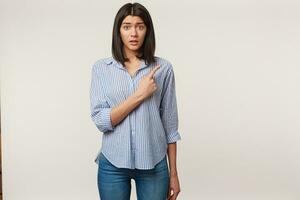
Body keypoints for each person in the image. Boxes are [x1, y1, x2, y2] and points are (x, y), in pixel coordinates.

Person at [89, 2, 182, 200]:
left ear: (147, 30)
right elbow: (101, 120)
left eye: (140, 26)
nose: (134, 33)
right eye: (127, 26)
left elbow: (170, 126)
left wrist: (173, 173)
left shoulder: (163, 69)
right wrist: (140, 95)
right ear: (118, 31)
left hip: (154, 163)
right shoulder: (101, 69)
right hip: (112, 164)